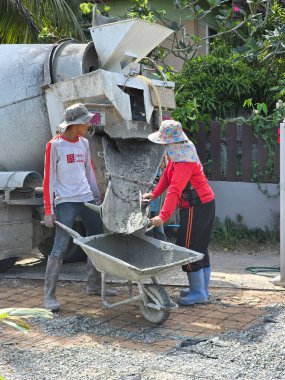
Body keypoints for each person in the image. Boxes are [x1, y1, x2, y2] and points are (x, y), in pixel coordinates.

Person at [43, 103, 116, 312]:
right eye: (86, 123)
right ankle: (49, 296)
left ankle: (93, 284)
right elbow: (49, 178)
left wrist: (97, 196)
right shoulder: (55, 145)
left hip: (86, 198)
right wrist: (49, 209)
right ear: (75, 124)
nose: (88, 126)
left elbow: (89, 171)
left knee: (96, 241)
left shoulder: (83, 143)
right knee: (60, 247)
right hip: (65, 200)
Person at [142, 120, 215, 306]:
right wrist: (154, 194)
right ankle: (201, 291)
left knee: (188, 247)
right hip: (201, 203)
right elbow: (167, 175)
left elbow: (175, 189)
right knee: (199, 247)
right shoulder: (179, 153)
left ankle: (199, 293)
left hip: (196, 205)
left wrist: (162, 216)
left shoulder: (184, 161)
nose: (164, 146)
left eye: (165, 143)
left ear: (172, 142)